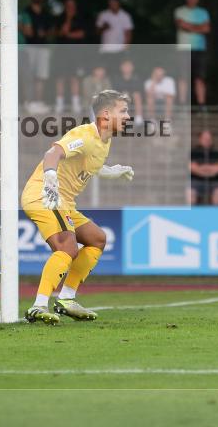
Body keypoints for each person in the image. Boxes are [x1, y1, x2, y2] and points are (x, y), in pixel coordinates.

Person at [21, 90, 134, 324]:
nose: (128, 116)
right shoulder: (83, 134)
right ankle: (39, 305)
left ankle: (66, 299)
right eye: (123, 111)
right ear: (105, 114)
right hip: (45, 194)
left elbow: (91, 164)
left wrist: (112, 172)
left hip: (64, 202)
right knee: (68, 247)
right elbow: (53, 153)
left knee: (97, 238)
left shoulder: (105, 141)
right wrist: (50, 176)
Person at [53, 0, 91, 113]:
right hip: (62, 52)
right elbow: (61, 32)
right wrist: (68, 19)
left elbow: (81, 34)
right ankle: (59, 104)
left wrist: (68, 35)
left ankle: (76, 104)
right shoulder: (60, 18)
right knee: (60, 77)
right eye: (68, 5)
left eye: (72, 5)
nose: (70, 7)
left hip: (76, 52)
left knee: (75, 77)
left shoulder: (80, 18)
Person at [19, 0, 53, 113]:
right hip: (28, 47)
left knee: (41, 76)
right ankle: (28, 102)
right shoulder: (25, 12)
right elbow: (26, 31)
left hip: (43, 47)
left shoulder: (46, 12)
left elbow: (52, 29)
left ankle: (38, 103)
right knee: (28, 76)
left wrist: (46, 33)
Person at [174, 0, 210, 105]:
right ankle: (182, 104)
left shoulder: (203, 12)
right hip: (184, 49)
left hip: (200, 49)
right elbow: (181, 25)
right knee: (183, 77)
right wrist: (199, 27)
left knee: (200, 78)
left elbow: (207, 29)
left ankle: (201, 105)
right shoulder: (179, 11)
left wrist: (189, 26)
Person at [96, 0, 134, 73]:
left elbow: (128, 33)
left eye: (114, 3)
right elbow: (97, 32)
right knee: (106, 72)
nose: (112, 5)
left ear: (118, 3)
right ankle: (107, 86)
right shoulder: (103, 15)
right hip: (106, 50)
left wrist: (126, 47)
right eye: (110, 3)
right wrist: (104, 27)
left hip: (119, 50)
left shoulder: (125, 16)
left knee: (118, 72)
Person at [190, 130, 218, 205]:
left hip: (215, 181)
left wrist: (201, 168)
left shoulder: (217, 153)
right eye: (205, 139)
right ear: (200, 139)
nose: (207, 140)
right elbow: (191, 167)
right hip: (195, 181)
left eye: (209, 139)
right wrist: (212, 169)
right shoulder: (193, 152)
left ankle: (215, 214)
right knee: (190, 192)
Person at [111, 58, 144, 124]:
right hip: (120, 99)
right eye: (125, 66)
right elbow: (114, 91)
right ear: (121, 68)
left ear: (132, 67)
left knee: (137, 95)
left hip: (134, 99)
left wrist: (130, 93)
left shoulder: (137, 78)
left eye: (129, 66)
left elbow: (139, 90)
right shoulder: (117, 78)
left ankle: (138, 118)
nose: (127, 68)